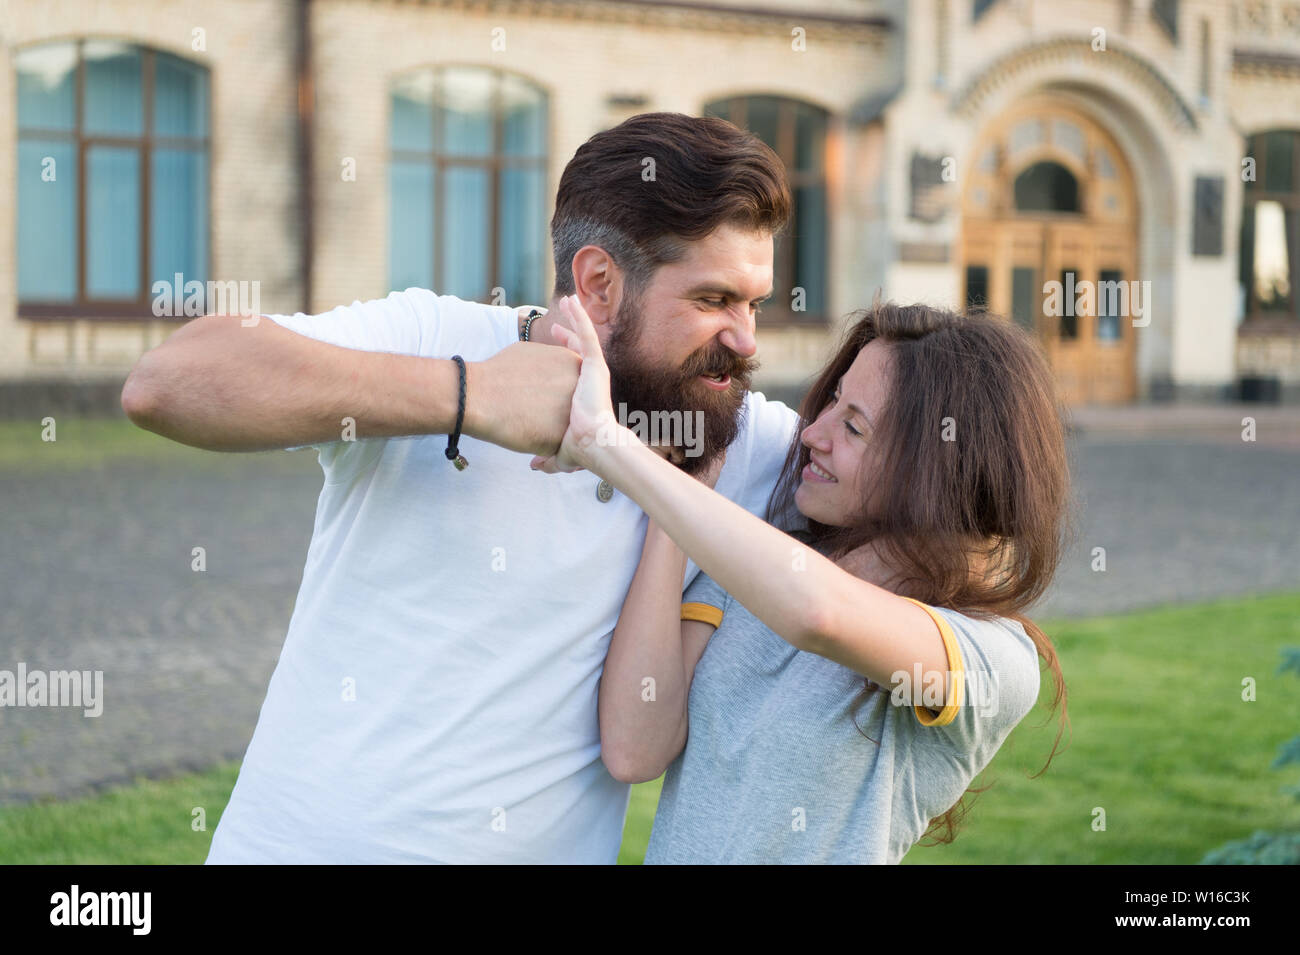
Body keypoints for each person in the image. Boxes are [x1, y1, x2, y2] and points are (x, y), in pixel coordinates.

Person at [120, 112, 799, 863]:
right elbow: (166, 384)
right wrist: (471, 394)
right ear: (598, 284)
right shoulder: (430, 333)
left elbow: (924, 475)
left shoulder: (725, 429)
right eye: (713, 301)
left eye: (755, 303)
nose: (746, 339)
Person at [533, 294, 1071, 864]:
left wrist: (605, 445)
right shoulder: (765, 564)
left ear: (937, 468)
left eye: (855, 427)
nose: (813, 432)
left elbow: (819, 616)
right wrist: (681, 499)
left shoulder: (993, 658)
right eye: (833, 401)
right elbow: (634, 749)